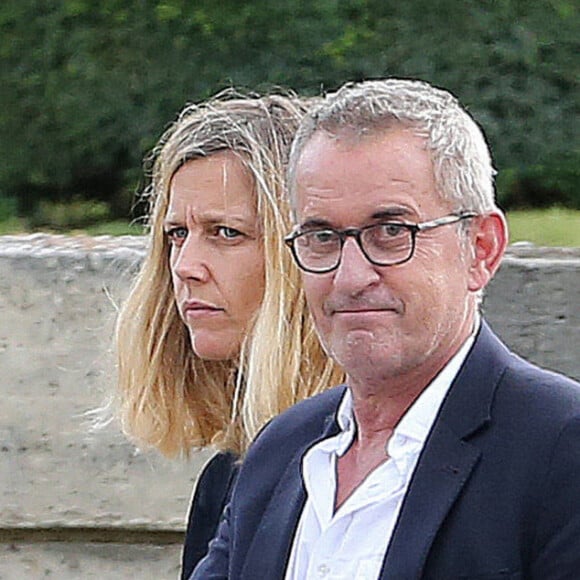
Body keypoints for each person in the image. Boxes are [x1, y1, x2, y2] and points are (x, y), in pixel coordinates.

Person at [191, 79, 580, 579]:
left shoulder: (558, 452)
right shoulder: (279, 452)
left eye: (392, 232)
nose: (351, 276)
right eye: (322, 237)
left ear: (481, 248)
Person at [113, 91, 343, 579]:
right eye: (177, 234)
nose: (186, 267)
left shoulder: (374, 465)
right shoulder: (227, 480)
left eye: (226, 233)